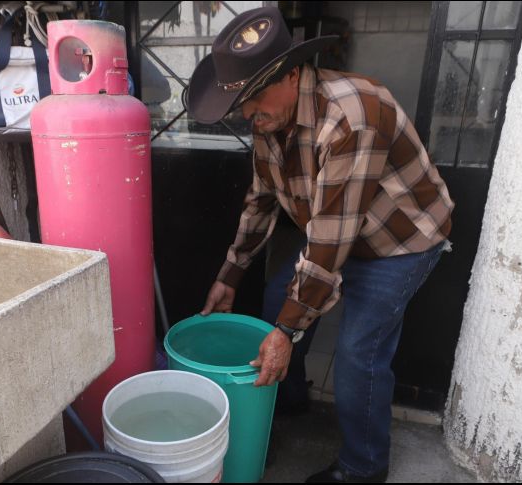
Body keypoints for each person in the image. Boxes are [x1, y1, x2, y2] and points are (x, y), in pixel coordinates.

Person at [186, 6, 454, 484]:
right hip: (339, 230)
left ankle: (364, 467)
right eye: (240, 103)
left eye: (254, 99)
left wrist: (287, 334)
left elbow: (329, 244)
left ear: (292, 74)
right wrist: (230, 274)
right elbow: (261, 201)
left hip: (401, 240)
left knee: (358, 354)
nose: (248, 114)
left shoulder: (351, 117)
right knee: (275, 303)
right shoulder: (270, 118)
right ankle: (287, 401)